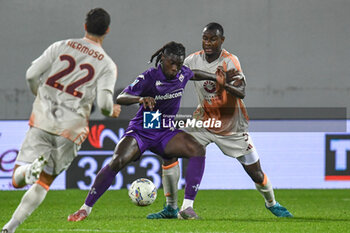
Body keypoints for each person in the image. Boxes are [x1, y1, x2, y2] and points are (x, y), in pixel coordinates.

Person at [67, 41, 237, 222]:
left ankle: (186, 208)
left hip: (165, 131)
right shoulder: (149, 77)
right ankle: (85, 209)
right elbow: (121, 97)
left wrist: (215, 77)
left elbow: (193, 73)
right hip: (142, 129)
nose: (175, 68)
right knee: (117, 161)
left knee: (197, 149)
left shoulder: (182, 73)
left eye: (179, 64)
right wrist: (140, 99)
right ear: (163, 59)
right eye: (172, 63)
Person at [147, 22, 293, 220]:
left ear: (221, 40)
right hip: (203, 121)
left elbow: (241, 92)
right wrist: (164, 55)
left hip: (231, 126)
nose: (208, 43)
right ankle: (174, 208)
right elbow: (172, 70)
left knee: (256, 173)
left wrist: (223, 83)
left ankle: (272, 203)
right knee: (169, 152)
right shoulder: (192, 60)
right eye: (205, 38)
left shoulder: (230, 62)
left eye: (213, 39)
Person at [1, 8, 121, 233]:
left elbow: (30, 75)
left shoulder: (61, 46)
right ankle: (9, 228)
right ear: (107, 31)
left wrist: (39, 94)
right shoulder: (106, 64)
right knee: (45, 182)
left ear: (85, 26)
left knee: (18, 180)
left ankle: (26, 176)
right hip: (72, 130)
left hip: (43, 120)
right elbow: (104, 106)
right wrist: (111, 110)